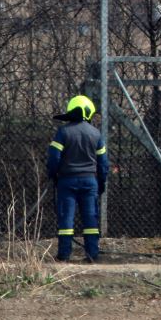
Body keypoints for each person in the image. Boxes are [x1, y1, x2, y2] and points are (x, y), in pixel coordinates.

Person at [47, 95, 109, 262]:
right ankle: (92, 254)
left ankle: (64, 255)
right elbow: (103, 164)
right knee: (90, 218)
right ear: (87, 112)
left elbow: (54, 158)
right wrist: (101, 183)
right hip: (90, 182)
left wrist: (53, 175)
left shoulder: (63, 132)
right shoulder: (96, 134)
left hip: (66, 181)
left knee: (66, 218)